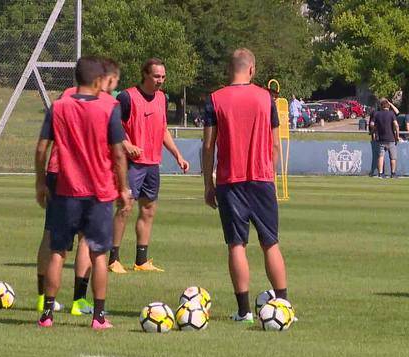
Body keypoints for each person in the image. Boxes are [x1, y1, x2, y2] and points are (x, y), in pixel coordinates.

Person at [35, 56, 131, 329]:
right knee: (98, 254)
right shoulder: (109, 108)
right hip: (99, 192)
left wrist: (40, 183)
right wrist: (123, 188)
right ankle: (98, 317)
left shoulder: (59, 107)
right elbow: (118, 153)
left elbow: (42, 149)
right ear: (99, 81)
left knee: (57, 252)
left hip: (65, 189)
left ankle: (47, 314)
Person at [202, 48, 289, 324]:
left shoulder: (215, 99)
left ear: (231, 69)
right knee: (270, 243)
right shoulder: (266, 98)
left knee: (236, 245)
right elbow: (275, 145)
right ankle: (284, 306)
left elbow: (208, 146)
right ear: (251, 69)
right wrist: (270, 175)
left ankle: (243, 312)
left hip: (230, 181)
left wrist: (208, 183)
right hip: (262, 179)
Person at [107, 58, 190, 274]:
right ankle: (113, 259)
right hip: (132, 164)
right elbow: (112, 126)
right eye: (156, 76)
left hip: (152, 163)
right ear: (145, 74)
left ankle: (141, 261)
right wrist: (127, 144)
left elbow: (162, 130)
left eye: (163, 76)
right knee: (125, 208)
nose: (160, 80)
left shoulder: (162, 98)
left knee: (149, 210)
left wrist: (178, 155)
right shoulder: (127, 97)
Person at [369, 98, 400, 178]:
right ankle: (393, 173)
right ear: (388, 106)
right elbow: (396, 125)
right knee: (393, 157)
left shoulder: (377, 114)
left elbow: (372, 124)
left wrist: (374, 130)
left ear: (381, 106)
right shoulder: (391, 114)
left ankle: (380, 173)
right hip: (391, 138)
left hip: (381, 139)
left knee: (381, 156)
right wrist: (397, 135)